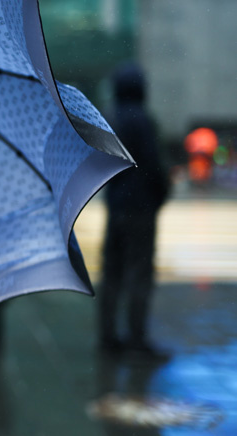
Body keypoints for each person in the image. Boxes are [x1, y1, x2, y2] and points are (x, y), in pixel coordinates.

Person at [98, 62, 170, 358]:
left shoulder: (110, 119)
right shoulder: (142, 120)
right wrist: (160, 194)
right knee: (139, 273)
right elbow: (153, 166)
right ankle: (137, 339)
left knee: (112, 273)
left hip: (116, 205)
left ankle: (107, 337)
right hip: (140, 208)